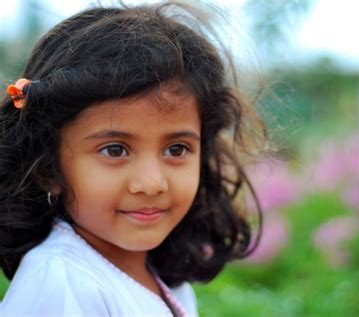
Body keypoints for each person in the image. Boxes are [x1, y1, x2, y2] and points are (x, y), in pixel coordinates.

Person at [0, 2, 265, 316]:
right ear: (49, 169)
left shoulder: (163, 277)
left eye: (177, 149)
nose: (151, 183)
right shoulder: (60, 285)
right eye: (115, 150)